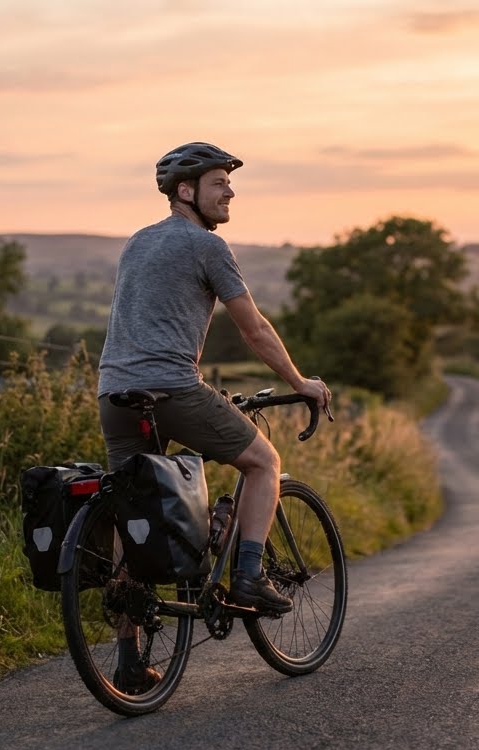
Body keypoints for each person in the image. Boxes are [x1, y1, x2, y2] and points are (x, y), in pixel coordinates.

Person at [97, 142, 331, 688]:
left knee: (135, 508)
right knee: (263, 461)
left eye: (229, 182)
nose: (230, 191)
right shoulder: (205, 245)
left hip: (114, 394)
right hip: (172, 389)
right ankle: (247, 576)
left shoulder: (137, 243)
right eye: (219, 182)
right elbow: (255, 329)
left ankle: (130, 661)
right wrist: (300, 383)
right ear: (186, 191)